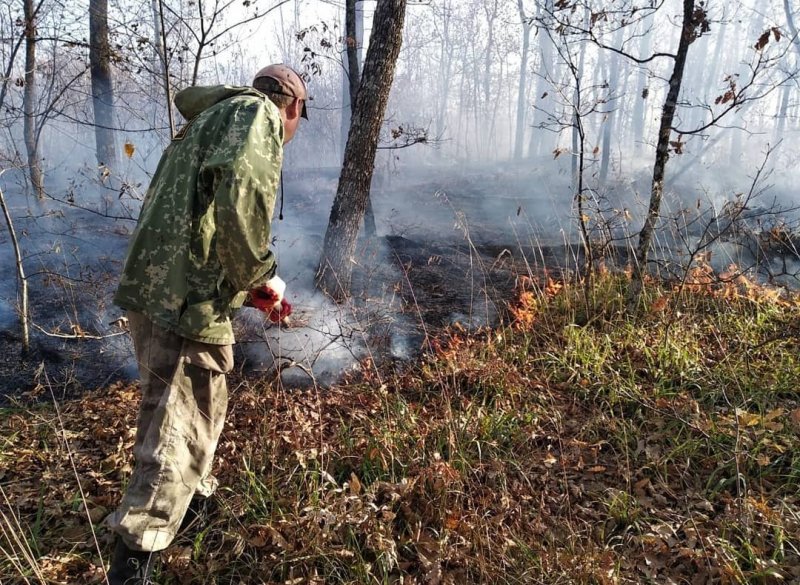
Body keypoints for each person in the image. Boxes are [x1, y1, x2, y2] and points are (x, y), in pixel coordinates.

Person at [106, 64, 307, 584]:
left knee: (177, 411)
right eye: (298, 119)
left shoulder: (208, 119)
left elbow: (200, 219)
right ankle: (135, 556)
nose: (292, 129)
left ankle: (191, 508)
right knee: (183, 422)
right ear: (292, 106)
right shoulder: (257, 113)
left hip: (156, 289)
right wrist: (261, 274)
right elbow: (241, 200)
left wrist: (245, 290)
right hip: (185, 303)